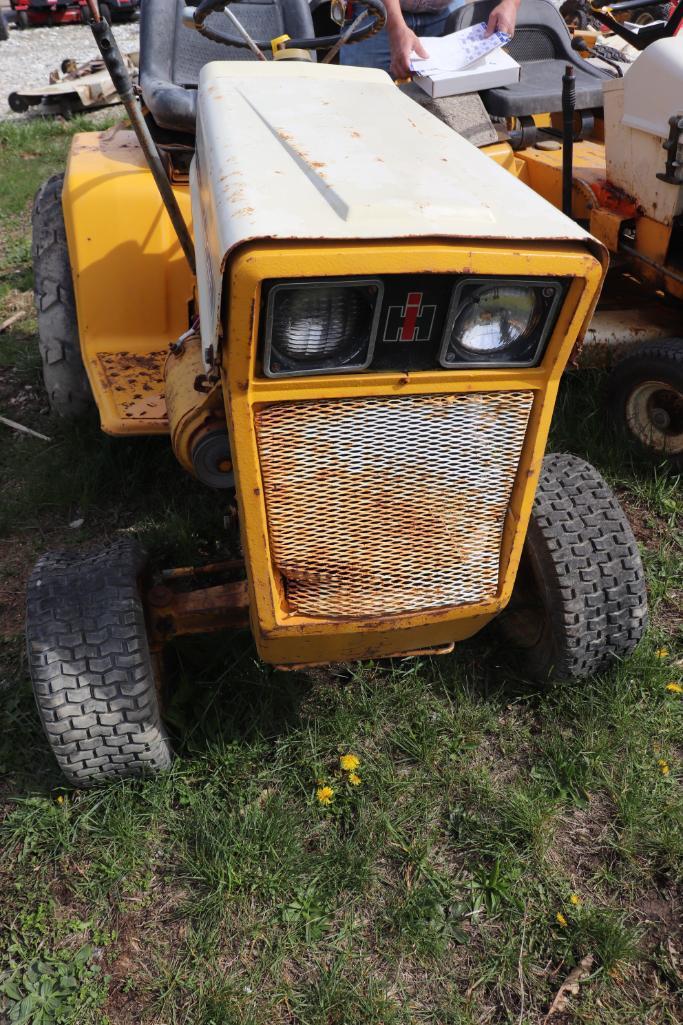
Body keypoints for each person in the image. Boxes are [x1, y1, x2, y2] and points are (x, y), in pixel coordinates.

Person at [340, 0, 522, 79]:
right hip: (376, 12)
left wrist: (510, 4)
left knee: (454, 104)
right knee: (362, 97)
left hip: (446, 11)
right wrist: (396, 27)